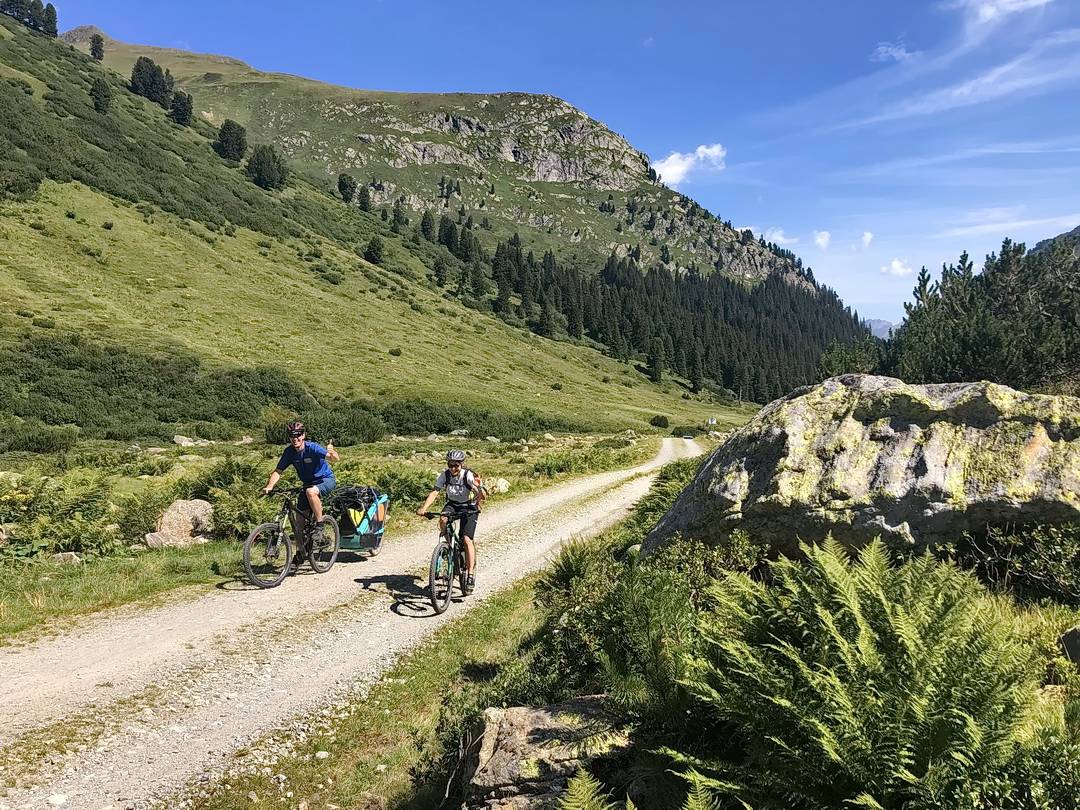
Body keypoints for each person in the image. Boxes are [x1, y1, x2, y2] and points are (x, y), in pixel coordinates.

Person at [263, 421, 339, 555]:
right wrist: (269, 486)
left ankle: (320, 525)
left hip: (325, 480)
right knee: (299, 522)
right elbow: (278, 471)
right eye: (292, 435)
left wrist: (332, 452)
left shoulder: (312, 448)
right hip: (307, 484)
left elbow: (334, 459)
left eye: (298, 435)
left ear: (303, 435)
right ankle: (301, 553)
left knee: (311, 492)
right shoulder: (289, 452)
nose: (295, 438)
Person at [416, 448, 485, 594]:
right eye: (450, 465)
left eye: (456, 465)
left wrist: (479, 489)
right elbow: (435, 492)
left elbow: (481, 494)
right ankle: (449, 546)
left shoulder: (468, 475)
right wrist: (424, 508)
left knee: (466, 539)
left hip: (468, 506)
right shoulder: (445, 475)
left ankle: (470, 575)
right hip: (453, 504)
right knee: (442, 519)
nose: (453, 468)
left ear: (461, 464)